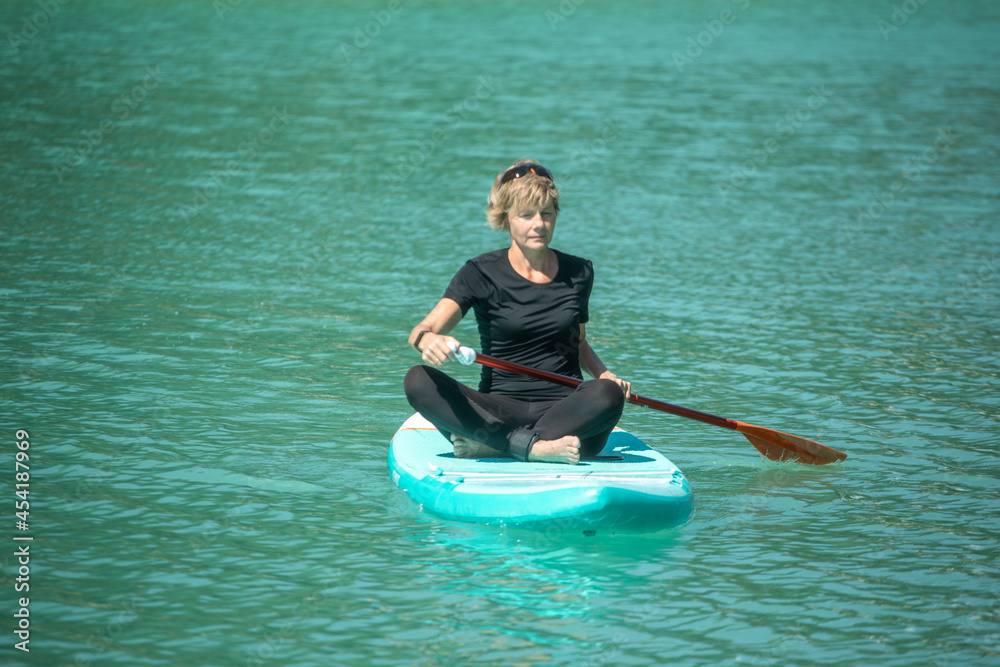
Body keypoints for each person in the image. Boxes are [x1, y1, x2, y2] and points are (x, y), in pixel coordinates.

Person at [404, 160, 631, 465]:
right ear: (506, 219)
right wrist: (428, 341)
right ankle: (531, 448)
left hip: (565, 413)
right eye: (526, 215)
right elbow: (423, 330)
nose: (539, 224)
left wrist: (604, 374)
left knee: (607, 394)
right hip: (496, 409)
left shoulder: (579, 272)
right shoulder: (480, 272)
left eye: (547, 213)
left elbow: (578, 342)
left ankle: (497, 445)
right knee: (418, 380)